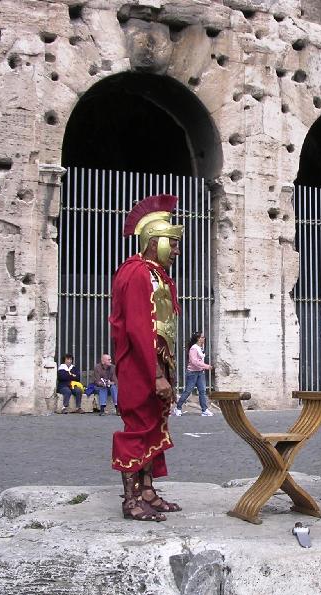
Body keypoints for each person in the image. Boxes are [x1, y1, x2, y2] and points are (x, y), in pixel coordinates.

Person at [110, 194, 185, 522]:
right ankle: (131, 500)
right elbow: (140, 330)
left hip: (156, 364)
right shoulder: (137, 273)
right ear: (155, 242)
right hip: (140, 367)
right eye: (173, 244)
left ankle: (148, 491)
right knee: (138, 428)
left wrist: (166, 371)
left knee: (154, 426)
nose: (177, 251)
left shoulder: (156, 274)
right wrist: (155, 375)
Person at [174, 332, 213, 417]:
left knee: (202, 391)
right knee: (188, 391)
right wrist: (206, 366)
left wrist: (203, 367)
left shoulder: (200, 348)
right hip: (192, 373)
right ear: (198, 339)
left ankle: (204, 410)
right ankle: (178, 408)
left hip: (200, 372)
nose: (204, 339)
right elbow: (194, 361)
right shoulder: (193, 349)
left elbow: (199, 360)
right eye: (202, 337)